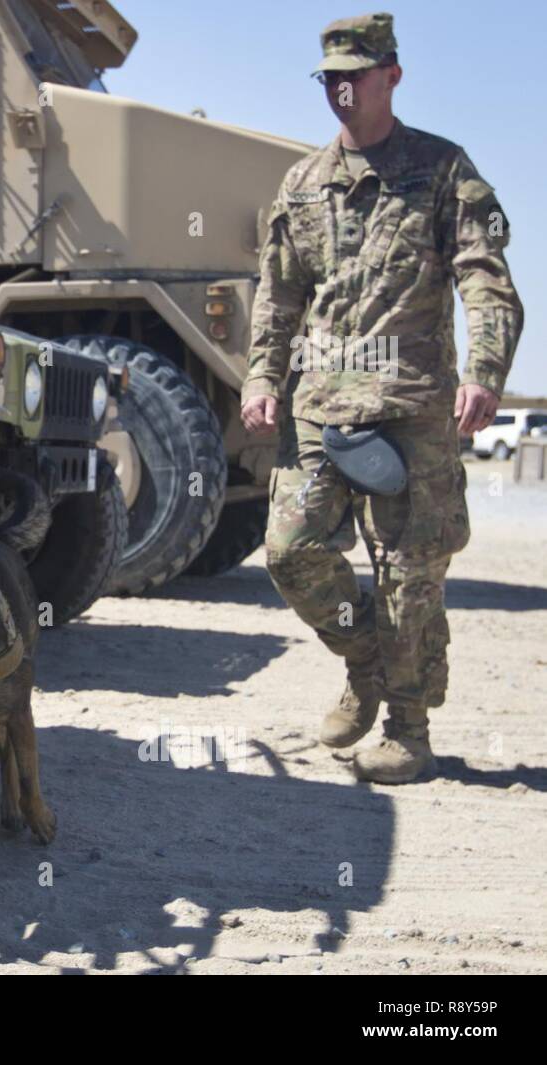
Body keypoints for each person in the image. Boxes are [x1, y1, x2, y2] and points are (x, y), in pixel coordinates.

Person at [240, 13, 523, 783]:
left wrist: (484, 372)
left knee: (408, 568)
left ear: (391, 76)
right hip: (322, 402)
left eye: (354, 74)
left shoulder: (442, 170)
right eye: (329, 75)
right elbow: (278, 296)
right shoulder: (301, 184)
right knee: (291, 550)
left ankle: (407, 729)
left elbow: (485, 276)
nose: (340, 87)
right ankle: (367, 660)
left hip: (411, 403)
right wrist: (263, 376)